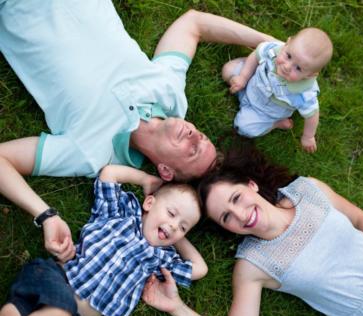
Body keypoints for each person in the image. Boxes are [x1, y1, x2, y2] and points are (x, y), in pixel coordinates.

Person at [0, 0, 274, 262]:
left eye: (191, 151)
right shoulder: (170, 94)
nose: (192, 134)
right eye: (200, 136)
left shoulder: (92, 154)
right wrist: (269, 46)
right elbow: (194, 23)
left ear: (165, 171)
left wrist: (45, 215)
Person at [142, 147, 363, 316]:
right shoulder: (252, 266)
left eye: (237, 198)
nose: (240, 215)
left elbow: (359, 219)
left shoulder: (308, 190)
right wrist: (177, 308)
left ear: (252, 185)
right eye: (227, 217)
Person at [0, 165, 208, 316]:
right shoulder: (119, 214)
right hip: (56, 277)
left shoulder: (161, 259)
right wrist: (146, 179)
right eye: (171, 213)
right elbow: (109, 174)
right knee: (59, 312)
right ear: (149, 203)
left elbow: (200, 269)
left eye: (183, 227)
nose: (173, 226)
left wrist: (177, 237)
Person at [222, 28, 333, 153]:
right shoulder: (273, 49)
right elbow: (256, 56)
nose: (287, 66)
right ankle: (241, 84)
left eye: (298, 68)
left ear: (310, 75)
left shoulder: (304, 93)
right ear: (288, 43)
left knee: (242, 127)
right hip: (250, 84)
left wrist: (308, 136)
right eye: (289, 56)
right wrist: (243, 77)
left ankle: (275, 124)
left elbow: (312, 115)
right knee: (228, 70)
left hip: (265, 113)